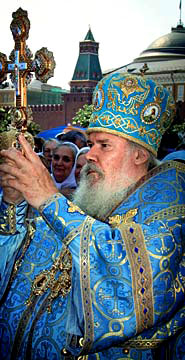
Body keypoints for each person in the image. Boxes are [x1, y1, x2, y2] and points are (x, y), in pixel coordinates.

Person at [0, 72, 185, 360]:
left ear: (139, 155)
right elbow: (17, 262)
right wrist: (12, 205)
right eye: (91, 143)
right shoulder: (84, 204)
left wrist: (49, 199)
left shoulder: (168, 216)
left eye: (104, 145)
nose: (89, 155)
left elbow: (125, 290)